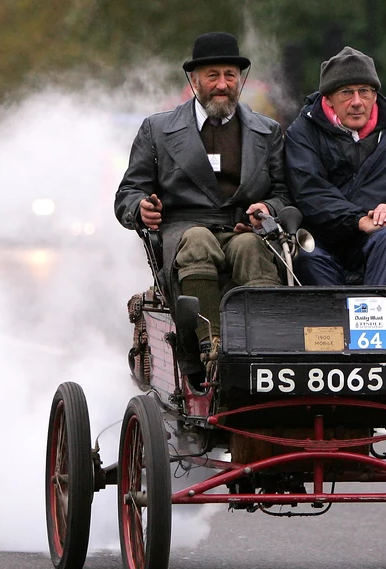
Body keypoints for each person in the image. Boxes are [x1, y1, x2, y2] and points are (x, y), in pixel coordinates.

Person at [115, 32, 288, 376]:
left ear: (240, 79)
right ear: (194, 80)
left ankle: (266, 346)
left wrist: (268, 209)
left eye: (230, 75)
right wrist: (140, 208)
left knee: (252, 248)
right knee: (198, 241)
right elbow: (128, 193)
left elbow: (284, 195)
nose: (222, 84)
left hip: (242, 227)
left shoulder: (267, 132)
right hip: (183, 231)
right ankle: (212, 351)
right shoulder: (157, 130)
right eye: (213, 76)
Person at [284, 46, 386, 286]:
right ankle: (335, 323)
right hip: (321, 245)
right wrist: (361, 220)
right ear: (328, 98)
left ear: (375, 94)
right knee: (305, 255)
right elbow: (310, 193)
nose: (357, 102)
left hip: (380, 243)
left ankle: (376, 323)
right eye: (346, 92)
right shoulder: (302, 133)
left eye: (365, 91)